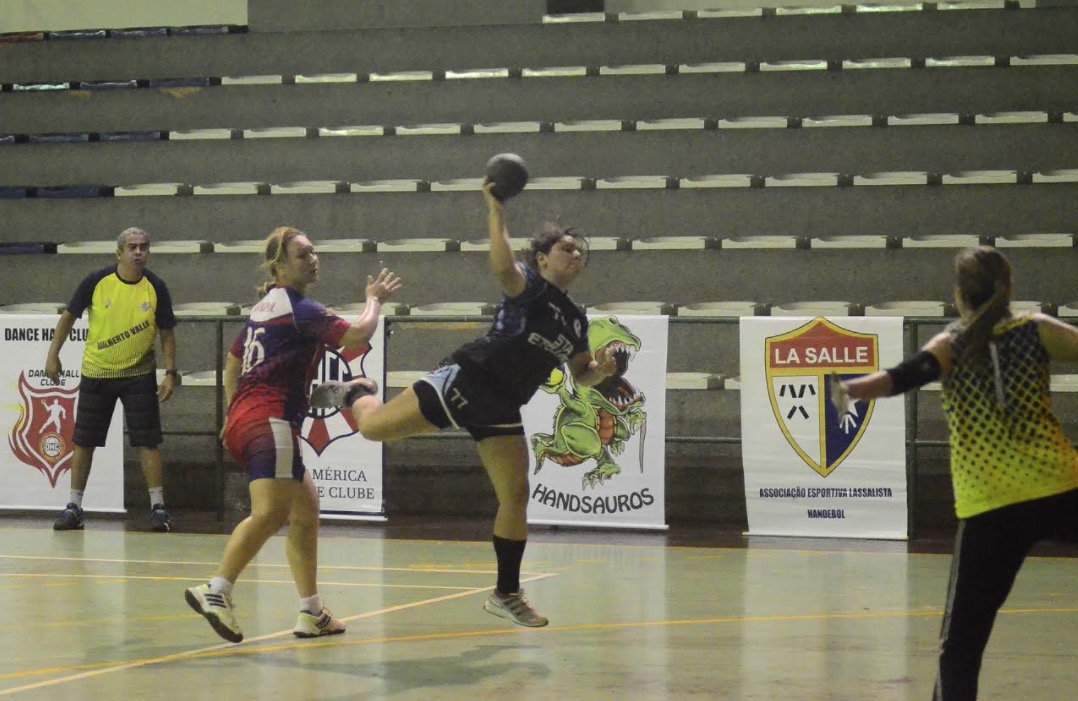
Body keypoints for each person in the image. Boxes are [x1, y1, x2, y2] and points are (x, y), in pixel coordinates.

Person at [312, 184, 616, 628]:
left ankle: (506, 592)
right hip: (468, 381)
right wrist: (496, 212)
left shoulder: (575, 319)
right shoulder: (528, 287)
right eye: (565, 248)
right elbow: (499, 265)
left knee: (515, 494)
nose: (575, 255)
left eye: (579, 252)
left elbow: (581, 372)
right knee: (373, 429)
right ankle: (356, 391)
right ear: (542, 259)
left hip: (504, 405)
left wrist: (601, 370)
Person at [830, 246, 1078, 701]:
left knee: (961, 643)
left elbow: (907, 375)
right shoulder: (1037, 330)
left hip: (991, 506)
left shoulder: (952, 343)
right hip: (1058, 487)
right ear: (1008, 287)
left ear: (959, 293)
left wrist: (855, 387)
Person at [184, 226, 401, 644]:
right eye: (303, 255)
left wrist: (234, 410)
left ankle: (312, 612)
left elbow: (235, 363)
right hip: (271, 422)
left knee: (305, 510)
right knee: (271, 514)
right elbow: (358, 336)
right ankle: (217, 590)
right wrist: (373, 300)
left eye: (314, 252)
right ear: (279, 265)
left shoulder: (264, 308)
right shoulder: (299, 307)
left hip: (250, 419)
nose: (313, 259)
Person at [46, 227, 178, 532]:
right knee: (84, 441)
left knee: (147, 441)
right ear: (119, 253)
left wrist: (170, 373)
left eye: (144, 247)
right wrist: (53, 355)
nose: (138, 252)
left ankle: (158, 507)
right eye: (132, 247)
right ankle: (74, 506)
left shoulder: (156, 286)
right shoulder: (96, 282)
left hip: (139, 376)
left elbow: (168, 333)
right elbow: (67, 318)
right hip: (97, 373)